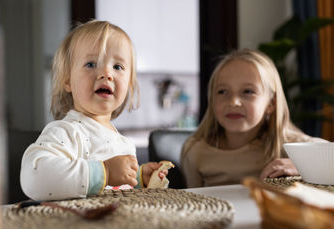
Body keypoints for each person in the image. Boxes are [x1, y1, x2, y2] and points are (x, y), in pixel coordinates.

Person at [20, 20, 167, 200]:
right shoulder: (67, 132)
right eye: (91, 64)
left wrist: (136, 177)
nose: (107, 73)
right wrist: (104, 171)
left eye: (117, 67)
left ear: (128, 84)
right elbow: (34, 178)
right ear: (67, 80)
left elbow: (111, 189)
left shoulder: (123, 143)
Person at [181, 49, 326, 188]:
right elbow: (192, 204)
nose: (233, 102)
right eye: (222, 91)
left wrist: (304, 165)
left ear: (271, 103)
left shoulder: (293, 146)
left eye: (248, 91)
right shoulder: (195, 151)